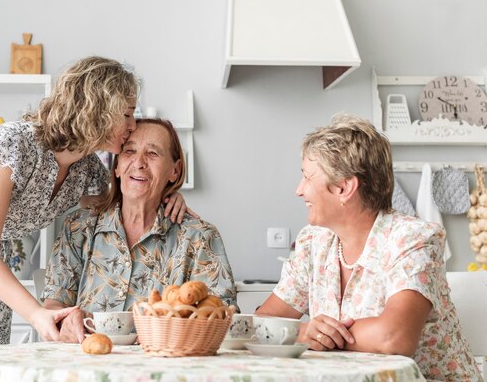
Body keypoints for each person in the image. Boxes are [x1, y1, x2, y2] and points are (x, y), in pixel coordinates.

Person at [0, 57, 192, 382]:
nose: (132, 124)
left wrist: (169, 195)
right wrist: (38, 314)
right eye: (126, 113)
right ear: (98, 108)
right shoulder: (12, 147)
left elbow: (127, 204)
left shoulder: (86, 170)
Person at [256, 115, 482, 382]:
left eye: (307, 177)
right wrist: (303, 332)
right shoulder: (313, 242)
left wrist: (322, 336)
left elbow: (394, 337)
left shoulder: (414, 239)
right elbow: (261, 322)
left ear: (344, 187)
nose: (299, 190)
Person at [41, 118, 237, 343]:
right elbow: (54, 304)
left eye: (153, 153)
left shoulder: (200, 237)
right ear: (116, 166)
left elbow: (221, 318)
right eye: (129, 151)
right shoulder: (77, 228)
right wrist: (67, 321)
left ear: (175, 170)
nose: (139, 162)